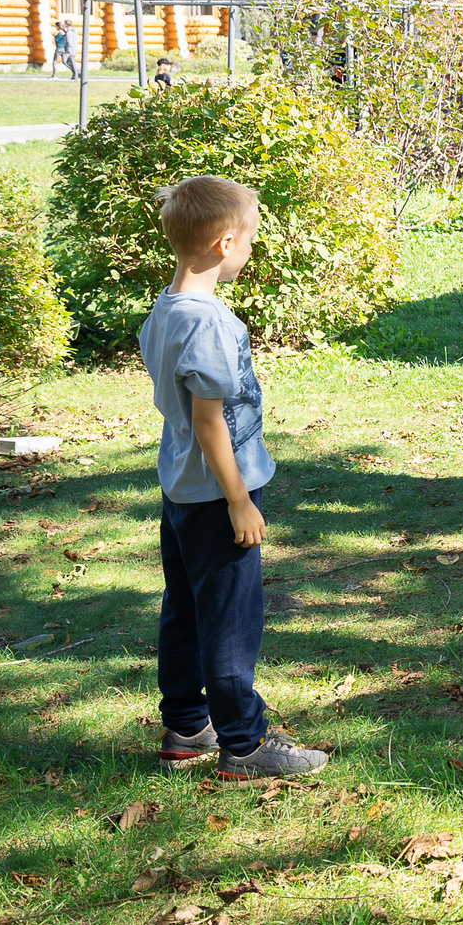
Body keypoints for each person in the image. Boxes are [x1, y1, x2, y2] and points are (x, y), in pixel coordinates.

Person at [142, 176, 328, 779]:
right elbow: (209, 421)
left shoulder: (164, 312)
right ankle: (244, 745)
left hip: (180, 491)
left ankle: (186, 727)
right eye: (249, 240)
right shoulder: (210, 324)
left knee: (185, 611)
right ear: (225, 244)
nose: (251, 250)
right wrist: (239, 501)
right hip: (216, 495)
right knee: (229, 623)